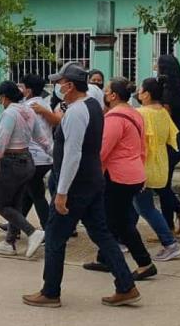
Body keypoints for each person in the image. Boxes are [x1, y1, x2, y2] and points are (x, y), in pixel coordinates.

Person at [24, 63, 140, 308]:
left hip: (76, 184)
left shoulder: (77, 112)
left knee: (55, 237)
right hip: (92, 180)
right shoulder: (93, 106)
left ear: (70, 85)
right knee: (101, 233)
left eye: (60, 82)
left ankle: (50, 291)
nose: (57, 86)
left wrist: (62, 192)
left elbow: (73, 154)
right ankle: (126, 285)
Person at [81, 78, 156, 280]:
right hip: (133, 173)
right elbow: (142, 147)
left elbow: (102, 152)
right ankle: (105, 258)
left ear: (113, 95)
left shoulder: (115, 118)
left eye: (106, 91)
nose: (104, 94)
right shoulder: (134, 114)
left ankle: (144, 262)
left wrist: (87, 174)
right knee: (113, 219)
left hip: (118, 176)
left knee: (118, 222)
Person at [0, 81, 51, 258]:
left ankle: (32, 232)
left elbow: (2, 140)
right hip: (27, 161)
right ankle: (9, 242)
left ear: (4, 97)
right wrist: (53, 154)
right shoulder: (28, 111)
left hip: (11, 162)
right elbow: (41, 138)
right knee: (15, 203)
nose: (0, 102)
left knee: (1, 205)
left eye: (0, 98)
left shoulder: (9, 114)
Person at [136, 77, 180, 260]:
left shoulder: (140, 113)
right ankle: (122, 237)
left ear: (147, 94)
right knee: (135, 205)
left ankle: (169, 243)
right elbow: (172, 137)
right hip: (159, 164)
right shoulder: (163, 112)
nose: (138, 93)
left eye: (140, 90)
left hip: (143, 166)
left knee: (145, 207)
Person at [156, 54, 180, 235]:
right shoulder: (179, 90)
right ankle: (168, 227)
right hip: (179, 140)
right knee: (164, 184)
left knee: (160, 185)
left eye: (157, 65)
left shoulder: (166, 93)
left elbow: (164, 120)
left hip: (170, 142)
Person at [17, 74, 52, 230]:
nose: (20, 89)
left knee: (36, 195)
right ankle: (15, 225)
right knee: (28, 193)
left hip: (34, 158)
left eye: (22, 87)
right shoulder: (44, 104)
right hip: (45, 157)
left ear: (28, 91)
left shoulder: (28, 108)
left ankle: (48, 229)